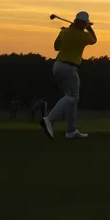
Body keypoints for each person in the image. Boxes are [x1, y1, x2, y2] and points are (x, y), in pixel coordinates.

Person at [41, 11, 97, 140]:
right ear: (84, 24)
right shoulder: (83, 36)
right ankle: (49, 119)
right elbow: (94, 40)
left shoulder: (64, 32)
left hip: (58, 66)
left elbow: (56, 47)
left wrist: (66, 32)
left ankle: (71, 130)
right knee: (72, 96)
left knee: (71, 98)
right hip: (69, 67)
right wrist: (90, 28)